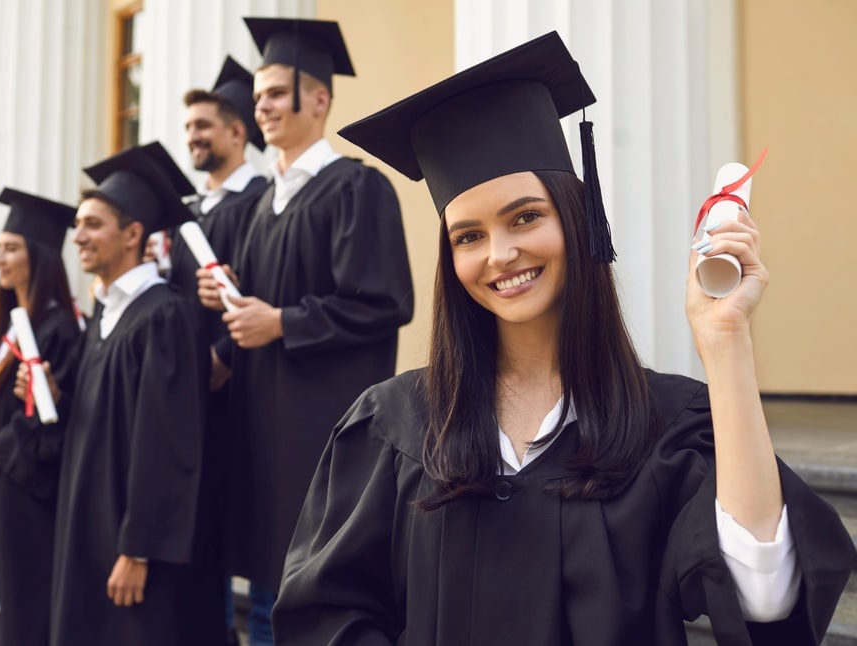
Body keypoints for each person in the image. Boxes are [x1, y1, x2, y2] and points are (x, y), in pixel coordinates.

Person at [272, 32, 856, 644]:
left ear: (576, 222)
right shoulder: (394, 426)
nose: (500, 254)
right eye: (467, 236)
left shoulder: (666, 428)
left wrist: (726, 339)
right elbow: (325, 616)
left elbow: (765, 601)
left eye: (526, 216)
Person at [196, 18, 414, 644]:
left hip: (321, 433)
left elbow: (383, 301)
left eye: (273, 93)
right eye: (257, 95)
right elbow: (260, 306)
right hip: (262, 430)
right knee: (266, 592)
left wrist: (282, 322)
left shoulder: (356, 187)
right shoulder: (265, 203)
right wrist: (229, 297)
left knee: (314, 592)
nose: (259, 104)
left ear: (318, 98)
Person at [47, 141, 217, 645]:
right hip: (89, 529)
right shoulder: (105, 313)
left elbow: (167, 444)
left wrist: (139, 548)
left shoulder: (163, 314)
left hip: (132, 544)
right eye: (78, 224)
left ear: (133, 234)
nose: (78, 236)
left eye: (93, 224)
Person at [0, 188, 83, 646]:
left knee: (18, 616)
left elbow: (45, 425)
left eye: (11, 248)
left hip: (26, 500)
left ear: (40, 256)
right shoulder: (3, 327)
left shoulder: (60, 329)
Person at [168, 54, 269, 645]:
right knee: (199, 541)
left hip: (239, 398)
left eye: (203, 127)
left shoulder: (258, 200)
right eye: (188, 130)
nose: (193, 138)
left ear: (237, 132)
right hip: (190, 407)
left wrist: (226, 360)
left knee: (255, 541)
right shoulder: (189, 216)